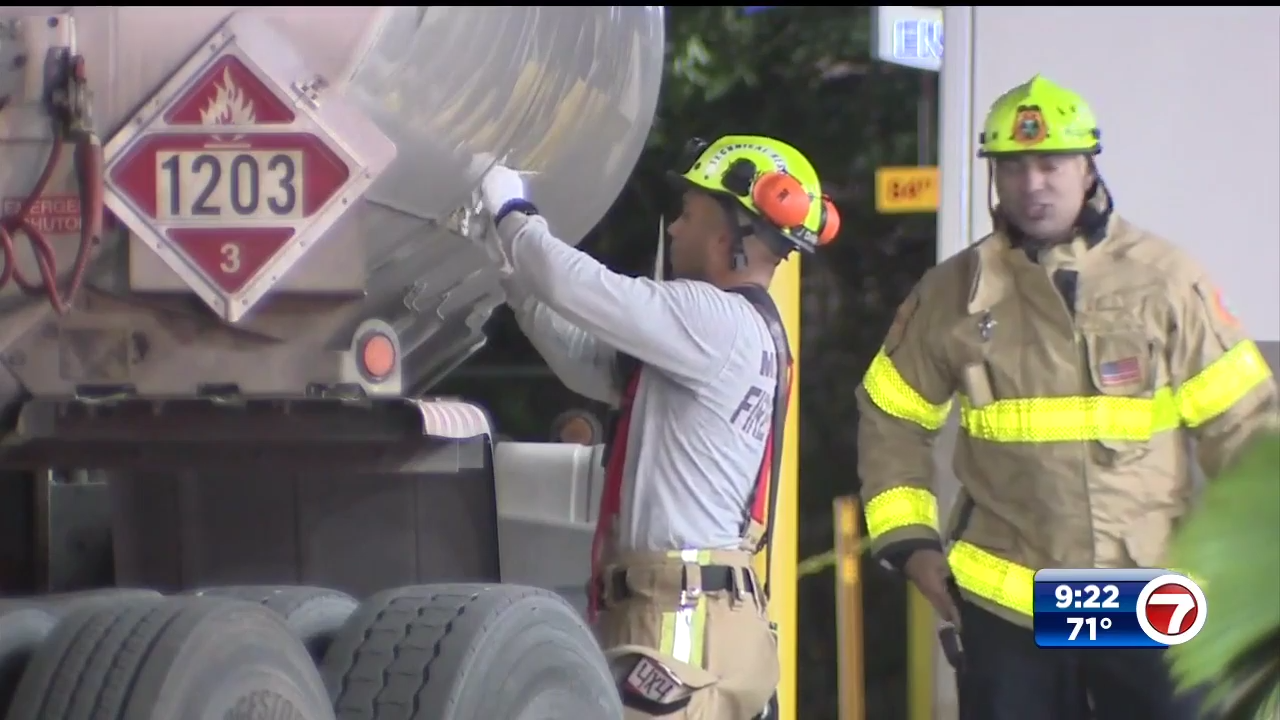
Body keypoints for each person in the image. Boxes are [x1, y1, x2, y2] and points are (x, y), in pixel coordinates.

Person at [855, 74, 1279, 720]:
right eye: (1013, 167)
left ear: (1087, 167)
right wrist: (910, 542)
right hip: (1008, 602)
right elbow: (892, 415)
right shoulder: (952, 294)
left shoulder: (1165, 281)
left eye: (1051, 163)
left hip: (1148, 595)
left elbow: (1243, 423)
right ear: (995, 177)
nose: (1033, 183)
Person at [475, 135, 839, 719]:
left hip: (679, 622)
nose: (674, 230)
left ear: (727, 235)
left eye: (689, 214)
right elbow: (586, 362)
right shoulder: (738, 336)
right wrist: (515, 275)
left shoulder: (715, 319)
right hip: (700, 612)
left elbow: (588, 291)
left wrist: (514, 215)